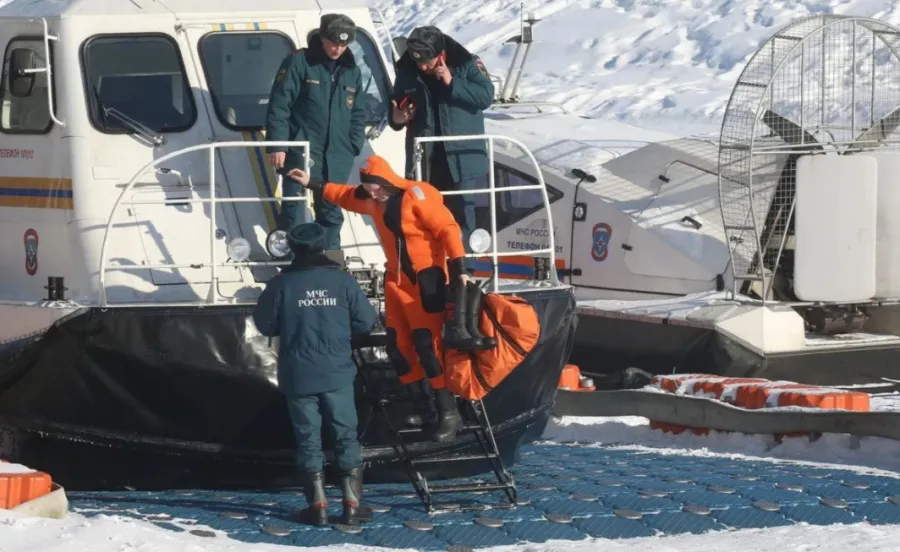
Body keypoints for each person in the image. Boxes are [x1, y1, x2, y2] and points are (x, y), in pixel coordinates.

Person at [285, 155, 493, 443]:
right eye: (369, 190)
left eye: (375, 189)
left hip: (426, 280)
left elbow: (448, 229)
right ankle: (425, 410)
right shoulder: (373, 201)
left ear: (386, 182)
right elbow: (345, 195)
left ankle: (449, 413)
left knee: (428, 345)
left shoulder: (417, 195)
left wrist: (460, 269)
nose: (372, 195)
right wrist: (312, 183)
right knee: (398, 346)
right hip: (396, 281)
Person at [252, 222, 377, 526]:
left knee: (308, 438)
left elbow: (265, 325)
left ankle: (318, 505)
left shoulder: (280, 285)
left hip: (299, 374)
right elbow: (365, 321)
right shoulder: (342, 281)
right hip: (336, 371)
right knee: (345, 434)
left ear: (293, 250)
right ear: (323, 247)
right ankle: (351, 504)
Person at [388, 25, 495, 263]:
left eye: (427, 61)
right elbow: (396, 107)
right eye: (418, 61)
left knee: (462, 213)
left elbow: (486, 96)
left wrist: (452, 82)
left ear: (440, 54)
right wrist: (397, 117)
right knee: (424, 214)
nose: (422, 67)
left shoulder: (467, 63)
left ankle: (464, 270)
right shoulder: (406, 71)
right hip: (425, 157)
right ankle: (432, 268)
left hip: (461, 157)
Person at [265, 14, 367, 249]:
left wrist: (353, 145)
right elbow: (279, 105)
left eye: (343, 44)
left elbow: (358, 113)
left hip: (337, 154)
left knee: (331, 212)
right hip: (301, 150)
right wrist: (278, 145)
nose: (337, 49)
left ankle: (330, 259)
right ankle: (292, 259)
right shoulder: (299, 62)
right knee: (294, 209)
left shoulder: (351, 71)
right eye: (333, 42)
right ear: (322, 38)